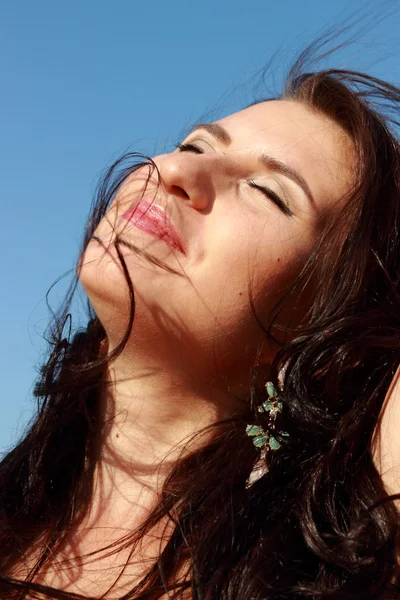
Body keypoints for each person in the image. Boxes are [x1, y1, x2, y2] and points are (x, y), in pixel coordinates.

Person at [1, 40, 400, 600]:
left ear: (320, 328)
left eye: (267, 191)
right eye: (193, 144)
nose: (173, 169)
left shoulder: (325, 580)